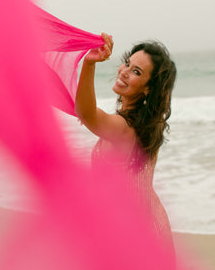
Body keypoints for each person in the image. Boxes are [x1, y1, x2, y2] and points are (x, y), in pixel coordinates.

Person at [75, 33, 177, 261]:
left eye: (136, 72)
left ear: (148, 89)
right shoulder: (148, 125)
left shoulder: (125, 129)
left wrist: (88, 63)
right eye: (128, 63)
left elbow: (86, 114)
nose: (124, 71)